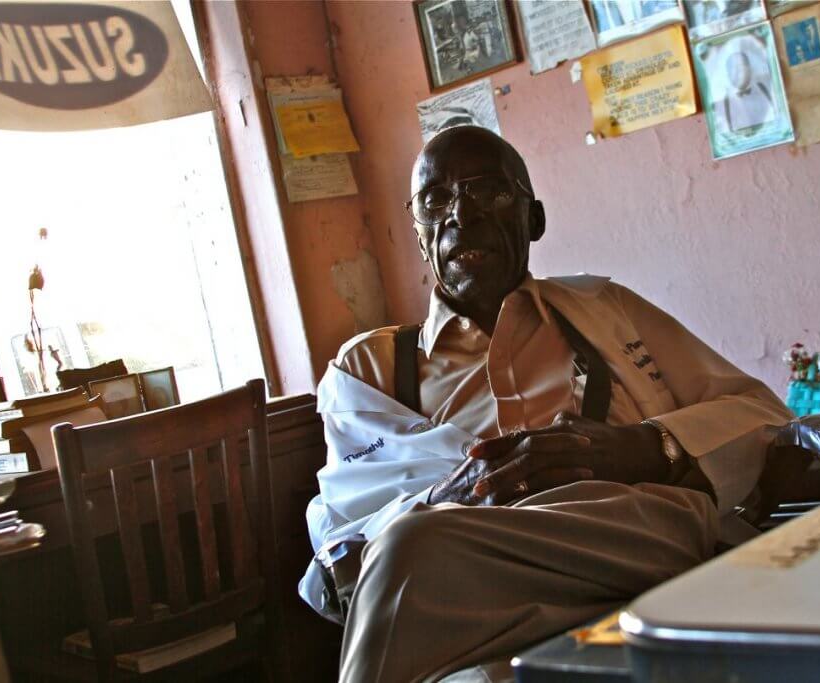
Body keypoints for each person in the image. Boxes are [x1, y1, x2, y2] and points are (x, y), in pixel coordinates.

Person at [300, 126, 792, 682]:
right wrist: (447, 497)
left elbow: (766, 415)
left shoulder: (606, 309)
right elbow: (344, 539)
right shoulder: (371, 369)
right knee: (424, 577)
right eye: (435, 199)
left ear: (533, 220)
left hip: (633, 531)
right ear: (418, 233)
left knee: (407, 550)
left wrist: (645, 446)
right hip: (479, 574)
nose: (461, 214)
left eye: (490, 192)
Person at [718, 50, 775, 133]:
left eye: (741, 66)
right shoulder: (724, 103)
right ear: (728, 73)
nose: (738, 71)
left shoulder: (764, 89)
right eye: (733, 68)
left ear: (750, 69)